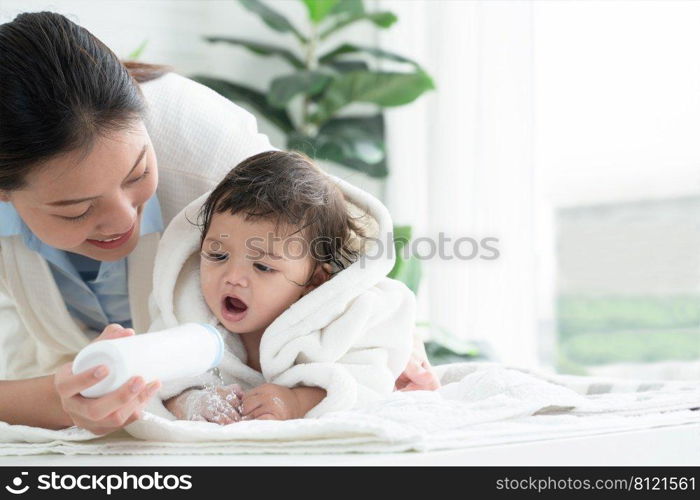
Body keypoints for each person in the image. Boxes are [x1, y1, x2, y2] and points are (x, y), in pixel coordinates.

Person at [0, 12, 438, 435]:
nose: (123, 218)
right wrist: (57, 401)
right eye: (75, 209)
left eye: (137, 174)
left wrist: (394, 347)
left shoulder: (209, 153)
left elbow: (334, 262)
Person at [157, 151, 415, 423]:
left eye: (263, 267)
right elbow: (158, 381)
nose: (233, 277)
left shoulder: (341, 320)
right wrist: (191, 403)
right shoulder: (186, 311)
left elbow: (367, 384)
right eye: (217, 256)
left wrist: (296, 401)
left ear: (313, 281)